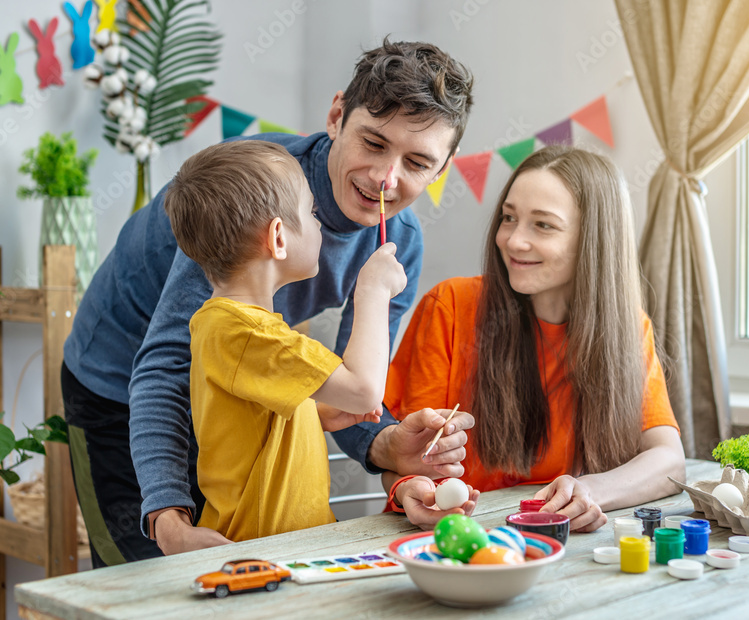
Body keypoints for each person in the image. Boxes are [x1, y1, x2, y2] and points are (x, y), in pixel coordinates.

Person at [61, 38, 476, 566]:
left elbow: (354, 388)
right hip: (118, 381)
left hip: (233, 390)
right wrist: (167, 518)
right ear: (336, 115)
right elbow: (165, 367)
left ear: (443, 167)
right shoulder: (255, 199)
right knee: (138, 584)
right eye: (373, 143)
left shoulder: (399, 244)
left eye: (417, 161)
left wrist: (390, 448)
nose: (384, 179)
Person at [382, 146, 687, 531]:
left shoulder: (629, 328)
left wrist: (590, 489)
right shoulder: (450, 307)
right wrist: (411, 489)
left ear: (594, 240)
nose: (513, 241)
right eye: (509, 218)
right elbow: (402, 464)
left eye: (542, 225)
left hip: (564, 548)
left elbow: (668, 459)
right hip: (455, 540)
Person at [163, 140, 406, 542]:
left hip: (289, 547)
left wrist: (320, 415)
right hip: (261, 553)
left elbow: (254, 423)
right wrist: (372, 291)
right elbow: (365, 391)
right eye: (311, 213)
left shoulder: (234, 327)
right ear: (278, 237)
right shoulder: (247, 332)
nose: (318, 224)